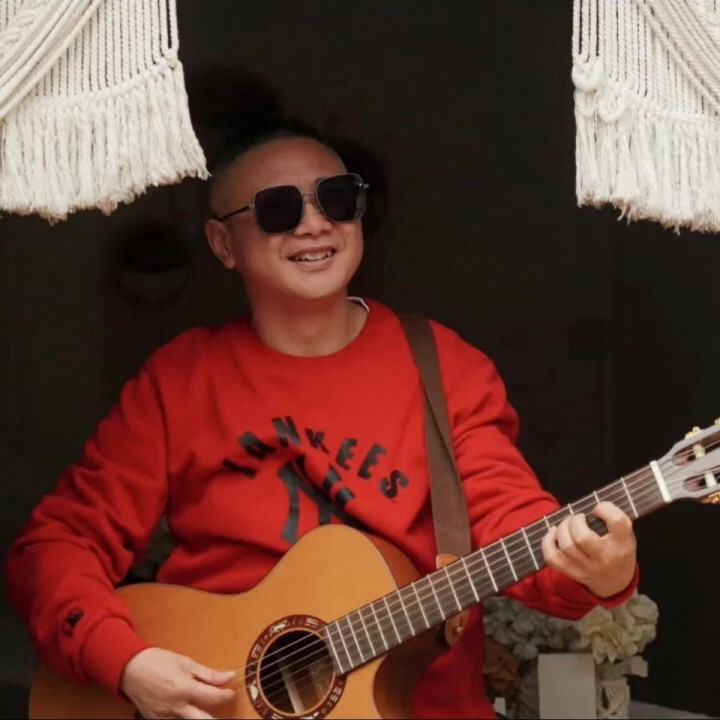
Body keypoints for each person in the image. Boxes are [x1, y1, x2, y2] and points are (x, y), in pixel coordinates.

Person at [6, 117, 638, 720]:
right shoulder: (181, 378)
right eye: (278, 209)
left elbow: (512, 519)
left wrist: (597, 570)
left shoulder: (445, 366)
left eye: (336, 198)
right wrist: (126, 662)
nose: (314, 224)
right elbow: (58, 545)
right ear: (223, 244)